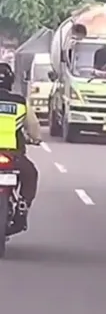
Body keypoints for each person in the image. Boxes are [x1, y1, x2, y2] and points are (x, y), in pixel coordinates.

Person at [0, 63, 40, 234]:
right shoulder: (20, 103)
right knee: (31, 175)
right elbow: (33, 127)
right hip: (13, 155)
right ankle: (23, 206)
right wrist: (35, 139)